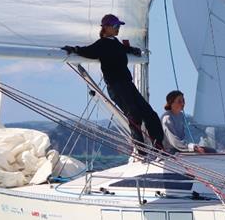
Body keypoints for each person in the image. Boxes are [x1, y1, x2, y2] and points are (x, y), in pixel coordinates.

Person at [63, 14, 164, 151]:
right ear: (106, 27)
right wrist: (74, 49)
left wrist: (133, 50)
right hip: (116, 86)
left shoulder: (115, 42)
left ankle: (158, 146)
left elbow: (123, 49)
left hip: (127, 84)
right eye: (116, 26)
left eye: (119, 26)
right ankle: (141, 151)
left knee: (149, 113)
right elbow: (87, 51)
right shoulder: (101, 44)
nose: (118, 29)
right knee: (134, 115)